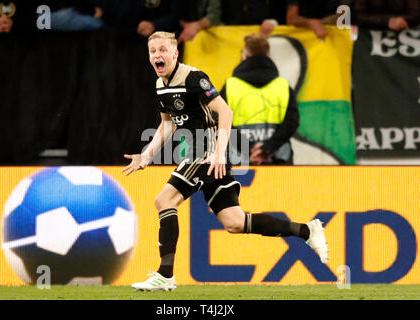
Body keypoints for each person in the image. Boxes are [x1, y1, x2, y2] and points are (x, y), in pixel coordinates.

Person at [122, 31, 329, 291]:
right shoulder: (160, 85)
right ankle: (308, 231)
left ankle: (165, 275)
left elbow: (225, 111)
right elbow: (167, 124)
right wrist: (147, 155)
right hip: (200, 154)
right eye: (153, 51)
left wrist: (218, 153)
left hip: (207, 152)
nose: (157, 55)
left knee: (164, 200)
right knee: (235, 222)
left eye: (163, 50)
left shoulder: (194, 78)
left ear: (175, 53)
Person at [220, 33, 299, 165]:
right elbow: (291, 123)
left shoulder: (230, 87)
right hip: (279, 160)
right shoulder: (283, 86)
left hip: (239, 162)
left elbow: (220, 123)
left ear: (244, 56)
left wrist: (248, 149)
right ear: (268, 56)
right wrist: (266, 148)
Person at [222, 0, 287, 37]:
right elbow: (223, 12)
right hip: (232, 36)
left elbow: (283, 10)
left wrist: (273, 21)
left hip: (265, 34)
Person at [353, 0, 420, 31]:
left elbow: (415, 14)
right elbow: (358, 15)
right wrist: (387, 21)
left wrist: (396, 20)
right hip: (366, 42)